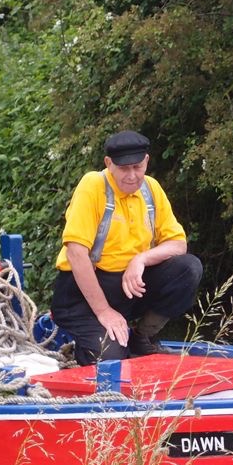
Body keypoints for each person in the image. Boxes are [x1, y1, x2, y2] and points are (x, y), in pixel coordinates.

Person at [50, 130, 203, 365]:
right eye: (124, 168)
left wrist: (140, 260)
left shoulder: (151, 188)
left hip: (129, 287)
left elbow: (178, 244)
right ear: (109, 164)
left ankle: (142, 337)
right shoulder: (93, 185)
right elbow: (76, 253)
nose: (132, 176)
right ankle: (92, 343)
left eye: (137, 167)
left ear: (146, 161)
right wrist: (104, 311)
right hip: (83, 294)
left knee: (188, 268)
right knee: (110, 361)